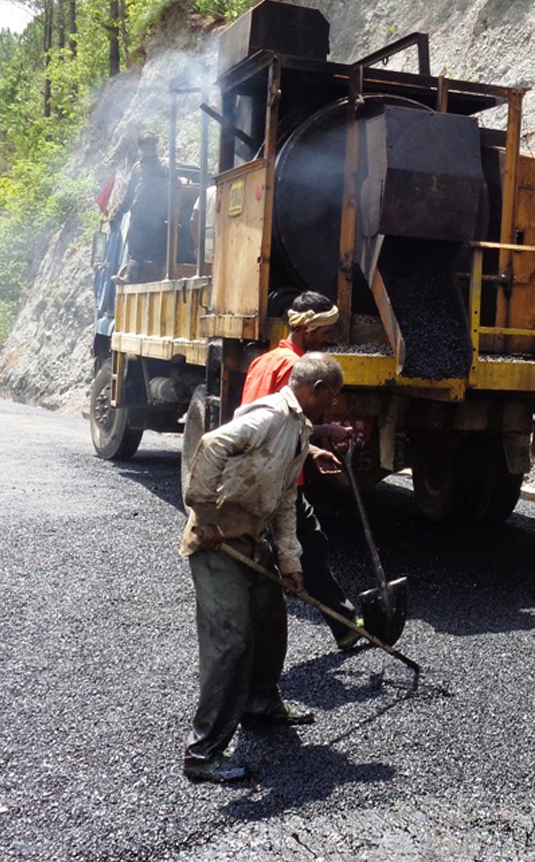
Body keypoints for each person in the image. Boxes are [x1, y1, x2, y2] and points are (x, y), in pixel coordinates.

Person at [179, 353, 345, 784]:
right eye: (333, 397)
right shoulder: (271, 415)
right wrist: (203, 512)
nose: (334, 407)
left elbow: (285, 500)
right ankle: (204, 753)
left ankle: (260, 703)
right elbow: (212, 444)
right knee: (229, 643)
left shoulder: (300, 429)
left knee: (271, 623)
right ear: (318, 390)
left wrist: (291, 562)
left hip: (254, 541)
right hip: (218, 542)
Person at [242, 290, 363, 667]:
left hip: (270, 473)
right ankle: (340, 624)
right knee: (302, 549)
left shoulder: (264, 360)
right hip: (275, 479)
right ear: (307, 330)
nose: (328, 337)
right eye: (324, 330)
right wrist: (314, 444)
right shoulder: (294, 368)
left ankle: (343, 623)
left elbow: (274, 423)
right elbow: (275, 427)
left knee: (310, 546)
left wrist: (321, 435)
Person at [116, 131, 174, 282]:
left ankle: (159, 278)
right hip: (139, 214)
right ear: (141, 147)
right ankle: (129, 277)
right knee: (135, 249)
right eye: (146, 145)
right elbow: (130, 193)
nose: (149, 148)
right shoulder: (136, 167)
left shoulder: (165, 165)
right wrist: (120, 211)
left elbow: (174, 186)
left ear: (156, 146)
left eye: (152, 145)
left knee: (158, 250)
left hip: (158, 214)